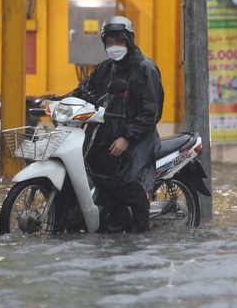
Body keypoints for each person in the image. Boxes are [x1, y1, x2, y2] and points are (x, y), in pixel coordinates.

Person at [45, 16, 164, 232]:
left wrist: (127, 138)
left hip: (137, 140)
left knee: (130, 184)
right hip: (105, 134)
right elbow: (83, 93)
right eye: (109, 43)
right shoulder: (105, 69)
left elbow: (151, 111)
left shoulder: (144, 69)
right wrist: (56, 102)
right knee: (89, 171)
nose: (114, 47)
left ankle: (141, 237)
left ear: (129, 40)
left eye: (118, 42)